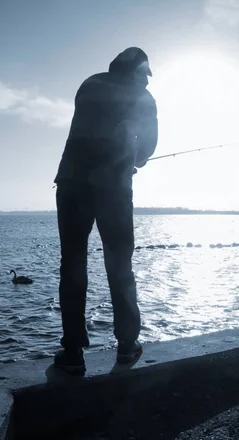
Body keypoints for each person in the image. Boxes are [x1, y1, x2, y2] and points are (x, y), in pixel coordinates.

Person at [53, 47, 158, 374]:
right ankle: (127, 345)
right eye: (145, 74)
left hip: (71, 183)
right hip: (112, 188)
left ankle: (72, 351)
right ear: (136, 71)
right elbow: (149, 145)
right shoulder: (144, 98)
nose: (146, 80)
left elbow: (88, 131)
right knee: (119, 264)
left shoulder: (89, 84)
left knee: (72, 264)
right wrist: (133, 159)